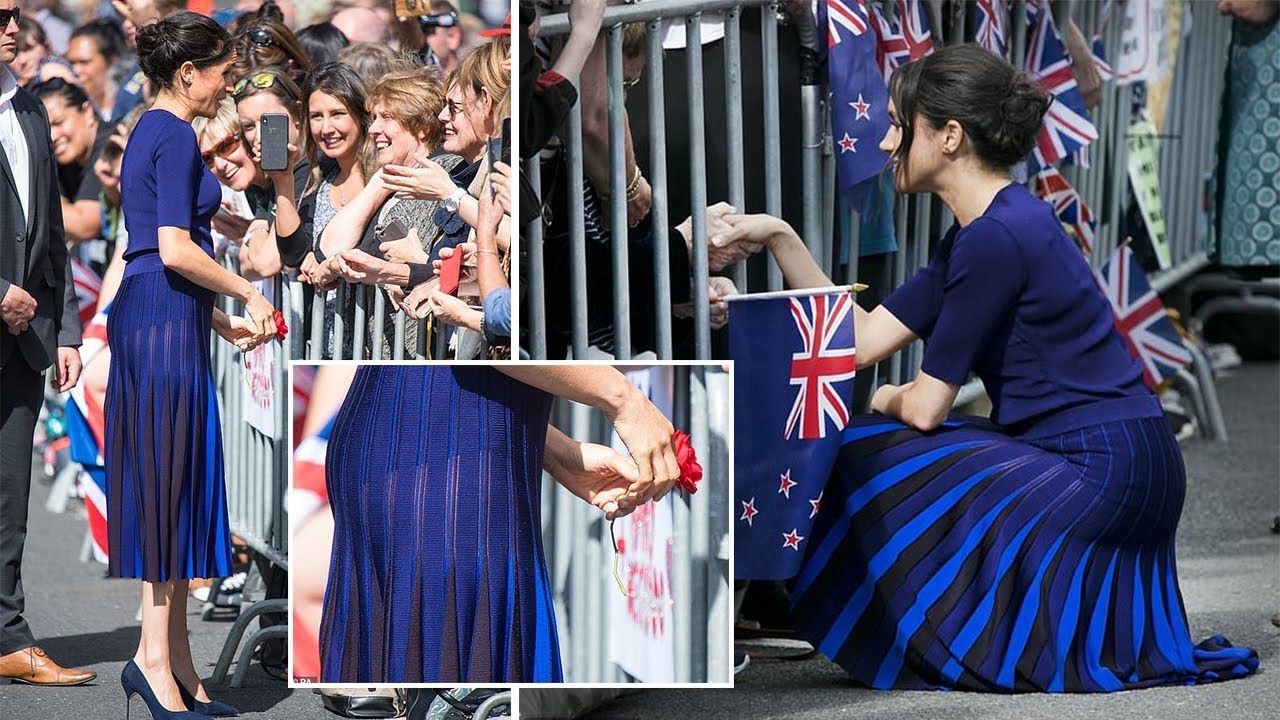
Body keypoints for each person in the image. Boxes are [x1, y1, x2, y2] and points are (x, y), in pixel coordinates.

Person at [721, 44, 1261, 692]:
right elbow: (859, 340)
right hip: (1126, 460)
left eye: (898, 124)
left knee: (865, 446)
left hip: (1100, 471)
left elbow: (925, 408)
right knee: (887, 441)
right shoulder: (994, 225)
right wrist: (779, 236)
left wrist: (884, 399)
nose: (885, 141)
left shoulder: (991, 238)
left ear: (949, 136)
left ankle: (933, 633)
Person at [107, 11, 276, 719]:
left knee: (172, 485)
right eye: (223, 73)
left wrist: (217, 318)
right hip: (160, 322)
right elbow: (172, 251)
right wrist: (248, 294)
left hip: (164, 317)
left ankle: (175, 662)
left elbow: (153, 255)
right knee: (166, 486)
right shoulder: (173, 133)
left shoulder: (152, 127)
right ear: (187, 74)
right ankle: (153, 661)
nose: (228, 84)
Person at [319, 364, 682, 682]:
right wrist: (625, 399)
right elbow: (488, 347)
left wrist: (557, 452)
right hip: (436, 468)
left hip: (429, 453)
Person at [0, 0, 92, 687]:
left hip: (25, 339)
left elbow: (51, 233)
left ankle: (8, 636)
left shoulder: (30, 107)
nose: (12, 28)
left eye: (15, 15)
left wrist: (64, 330)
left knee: (10, 500)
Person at [32, 78, 108, 247]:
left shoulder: (110, 145)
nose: (52, 136)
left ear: (87, 112)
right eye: (45, 130)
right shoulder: (63, 159)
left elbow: (84, 226)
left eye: (58, 123)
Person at [65, 18, 125, 121]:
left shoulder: (131, 106)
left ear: (112, 60)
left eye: (84, 62)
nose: (75, 70)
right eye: (71, 63)